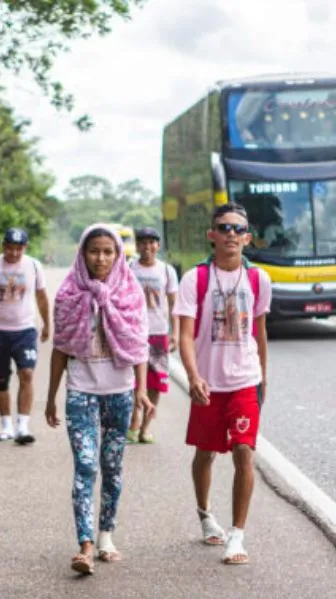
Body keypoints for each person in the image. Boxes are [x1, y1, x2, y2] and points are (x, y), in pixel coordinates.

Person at [45, 224, 155, 575]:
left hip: (119, 393)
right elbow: (60, 349)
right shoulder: (68, 293)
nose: (101, 258)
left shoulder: (130, 291)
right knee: (86, 465)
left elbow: (139, 346)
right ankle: (85, 545)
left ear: (118, 254)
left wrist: (141, 391)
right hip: (80, 392)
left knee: (111, 467)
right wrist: (50, 397)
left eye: (109, 251)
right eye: (95, 251)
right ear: (82, 253)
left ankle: (106, 534)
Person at [173, 203, 271, 565]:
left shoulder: (259, 280)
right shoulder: (194, 279)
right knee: (205, 454)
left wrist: (264, 379)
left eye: (238, 229)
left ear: (247, 237)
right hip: (208, 384)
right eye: (223, 227)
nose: (231, 234)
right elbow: (184, 335)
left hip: (245, 381)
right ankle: (204, 515)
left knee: (244, 452)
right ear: (211, 235)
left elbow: (260, 333)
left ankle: (237, 536)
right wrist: (193, 376)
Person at [0, 228, 51, 445]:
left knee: (26, 373)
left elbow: (42, 296)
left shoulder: (34, 265)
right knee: (1, 379)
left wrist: (47, 324)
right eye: (10, 248)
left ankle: (23, 426)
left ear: (25, 248)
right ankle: (6, 425)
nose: (14, 253)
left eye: (19, 248)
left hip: (25, 330)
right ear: (2, 245)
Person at [126, 226, 179, 444]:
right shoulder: (129, 268)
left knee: (156, 383)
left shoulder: (166, 271)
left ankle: (146, 428)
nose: (147, 247)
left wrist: (174, 332)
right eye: (143, 243)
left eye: (152, 242)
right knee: (132, 382)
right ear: (137, 246)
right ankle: (133, 423)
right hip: (134, 333)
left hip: (158, 333)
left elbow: (174, 303)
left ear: (158, 245)